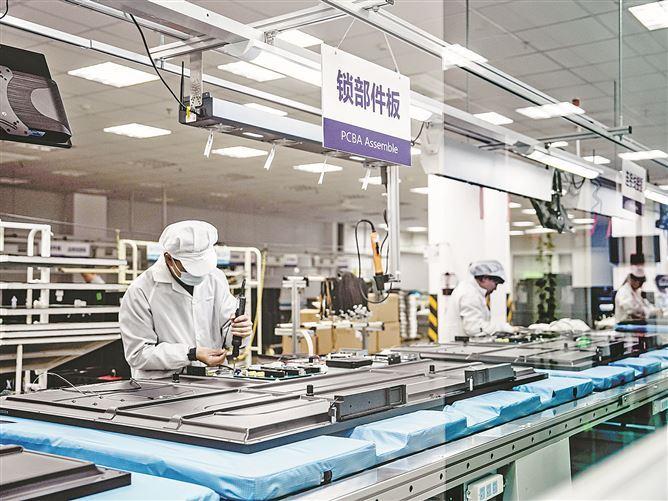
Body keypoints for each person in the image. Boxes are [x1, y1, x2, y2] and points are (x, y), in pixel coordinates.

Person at [119, 220, 252, 378]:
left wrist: (240, 331)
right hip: (162, 385)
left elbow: (228, 330)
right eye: (191, 269)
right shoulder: (141, 291)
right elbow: (138, 354)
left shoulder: (215, 277)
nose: (199, 275)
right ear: (169, 259)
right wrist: (190, 353)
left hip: (212, 380)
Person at [443, 260, 514, 342]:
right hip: (461, 347)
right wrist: (505, 328)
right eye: (495, 284)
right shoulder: (469, 294)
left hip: (464, 345)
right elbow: (474, 328)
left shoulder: (471, 290)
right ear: (484, 278)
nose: (495, 288)